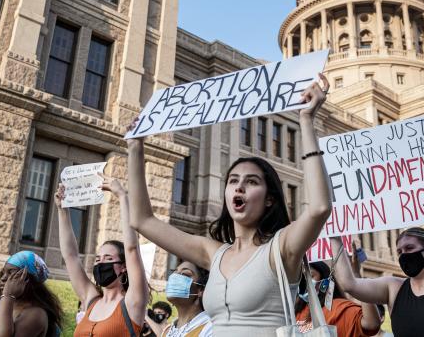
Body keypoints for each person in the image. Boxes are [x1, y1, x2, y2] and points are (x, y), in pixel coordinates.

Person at [128, 74, 332, 336]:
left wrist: (306, 121)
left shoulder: (281, 248)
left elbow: (319, 208)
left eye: (251, 181)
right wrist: (135, 149)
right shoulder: (213, 252)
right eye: (233, 180)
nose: (239, 186)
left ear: (269, 198)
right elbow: (143, 220)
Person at [329, 216, 424, 337]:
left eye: (409, 248)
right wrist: (334, 237)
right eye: (400, 252)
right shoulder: (393, 287)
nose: (404, 255)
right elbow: (350, 285)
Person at [55, 177, 149, 336]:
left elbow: (132, 249)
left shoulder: (133, 302)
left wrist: (122, 196)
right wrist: (62, 210)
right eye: (98, 259)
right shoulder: (90, 299)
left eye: (108, 258)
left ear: (124, 266)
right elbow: (70, 256)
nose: (101, 263)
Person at [0, 251, 63, 337]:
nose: (3, 278)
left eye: (11, 273)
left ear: (28, 280)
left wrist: (7, 296)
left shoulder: (36, 314)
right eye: (3, 273)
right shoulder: (4, 304)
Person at [294, 260, 381, 336]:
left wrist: (358, 280)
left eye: (311, 276)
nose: (305, 281)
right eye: (301, 278)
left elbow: (371, 324)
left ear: (325, 280)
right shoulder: (297, 311)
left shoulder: (339, 307)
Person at [162, 261, 213, 337]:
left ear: (200, 290)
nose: (175, 277)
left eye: (185, 274)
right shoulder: (167, 331)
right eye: (174, 272)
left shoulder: (210, 329)